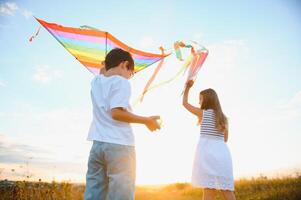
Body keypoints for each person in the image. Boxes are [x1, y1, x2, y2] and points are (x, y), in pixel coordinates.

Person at [84, 48, 161, 200]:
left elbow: (102, 71)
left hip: (97, 146)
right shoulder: (121, 82)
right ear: (124, 64)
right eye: (131, 72)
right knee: (121, 195)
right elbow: (117, 113)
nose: (130, 77)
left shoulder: (95, 82)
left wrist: (106, 65)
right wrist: (146, 120)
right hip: (119, 145)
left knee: (94, 193)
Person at [182, 80, 236, 200]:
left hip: (207, 153)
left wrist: (187, 88)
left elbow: (185, 103)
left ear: (206, 101)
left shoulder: (203, 113)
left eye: (200, 99)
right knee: (227, 190)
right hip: (223, 154)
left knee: (208, 189)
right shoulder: (224, 118)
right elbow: (225, 139)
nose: (199, 102)